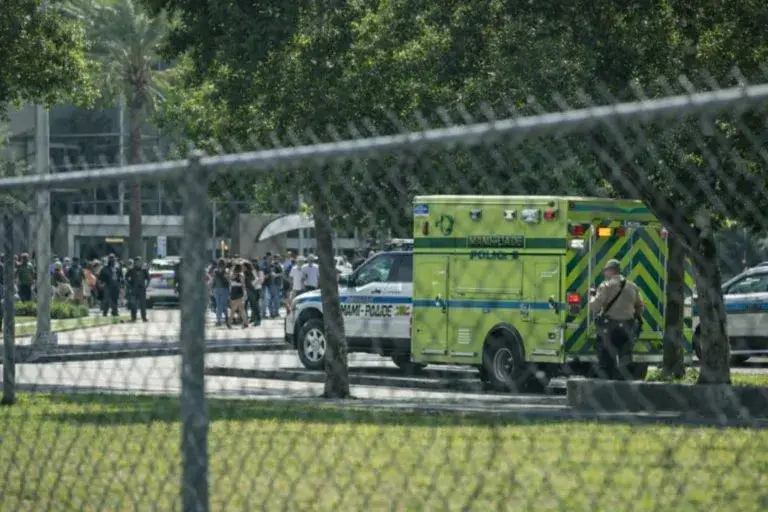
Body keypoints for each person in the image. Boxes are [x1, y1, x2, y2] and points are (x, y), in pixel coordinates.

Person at [589, 259, 645, 380]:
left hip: (609, 328)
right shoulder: (632, 286)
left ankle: (607, 385)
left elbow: (595, 307)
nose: (604, 274)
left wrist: (592, 297)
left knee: (606, 358)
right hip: (627, 328)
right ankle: (624, 382)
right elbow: (640, 307)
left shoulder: (606, 286)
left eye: (606, 271)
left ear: (611, 271)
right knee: (625, 356)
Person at [125, 257, 150, 322]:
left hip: (142, 290)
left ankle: (144, 318)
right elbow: (126, 278)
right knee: (133, 305)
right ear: (135, 262)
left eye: (139, 261)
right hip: (134, 290)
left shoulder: (144, 270)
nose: (138, 263)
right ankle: (133, 318)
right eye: (137, 262)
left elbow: (148, 278)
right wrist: (129, 286)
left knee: (143, 305)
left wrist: (146, 285)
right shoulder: (131, 270)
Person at [211, 259, 231, 327]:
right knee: (223, 304)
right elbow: (228, 280)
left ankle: (220, 319)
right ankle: (223, 319)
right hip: (224, 289)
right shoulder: (227, 270)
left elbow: (213, 280)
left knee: (219, 304)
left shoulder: (215, 271)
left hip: (216, 289)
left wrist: (211, 288)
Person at [229, 262, 248, 328]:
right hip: (239, 292)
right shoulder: (241, 275)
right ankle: (229, 322)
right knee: (236, 308)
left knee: (240, 308)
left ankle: (246, 323)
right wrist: (245, 293)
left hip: (233, 291)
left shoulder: (232, 274)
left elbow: (230, 282)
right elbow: (243, 284)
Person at [244, 261, 261, 326]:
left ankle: (258, 320)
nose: (243, 268)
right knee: (251, 305)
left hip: (255, 290)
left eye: (244, 266)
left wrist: (252, 284)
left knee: (255, 305)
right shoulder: (244, 272)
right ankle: (252, 319)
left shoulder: (252, 271)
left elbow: (257, 279)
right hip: (249, 290)